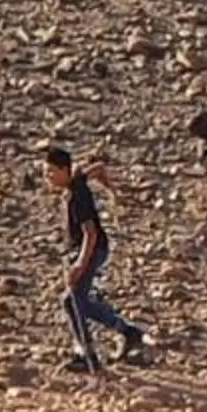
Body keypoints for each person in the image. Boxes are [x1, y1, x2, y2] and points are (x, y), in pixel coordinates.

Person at [45, 146, 148, 372]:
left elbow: (90, 233)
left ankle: (86, 354)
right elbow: (95, 168)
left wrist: (80, 264)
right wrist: (111, 190)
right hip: (86, 249)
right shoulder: (77, 179)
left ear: (65, 170)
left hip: (92, 250)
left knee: (71, 301)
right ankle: (128, 332)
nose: (48, 178)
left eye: (52, 172)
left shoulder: (79, 194)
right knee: (79, 302)